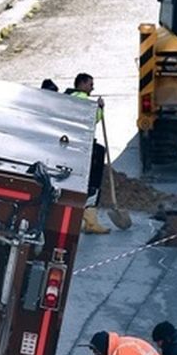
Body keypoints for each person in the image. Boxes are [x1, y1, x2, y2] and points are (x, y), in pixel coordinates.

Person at [65, 73, 111, 235]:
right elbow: (94, 119)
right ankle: (91, 221)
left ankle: (86, 220)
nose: (93, 87)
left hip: (70, 147)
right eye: (90, 84)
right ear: (82, 84)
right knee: (92, 184)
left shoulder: (68, 97)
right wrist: (99, 107)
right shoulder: (83, 99)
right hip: (85, 148)